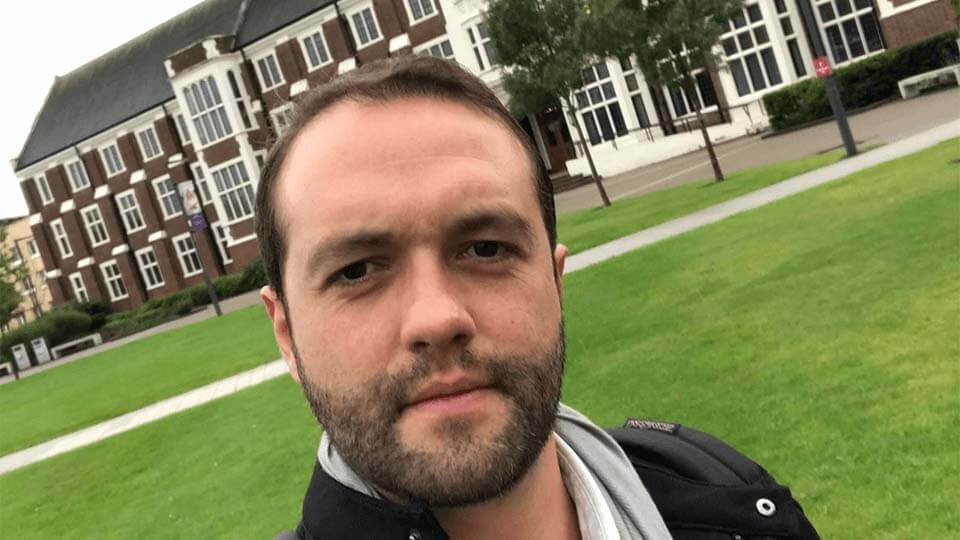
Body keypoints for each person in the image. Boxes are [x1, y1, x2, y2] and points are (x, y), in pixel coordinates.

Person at [256, 56, 814, 540]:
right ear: (287, 335)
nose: (438, 317)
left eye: (486, 248)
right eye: (356, 271)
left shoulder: (732, 503)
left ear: (555, 280)